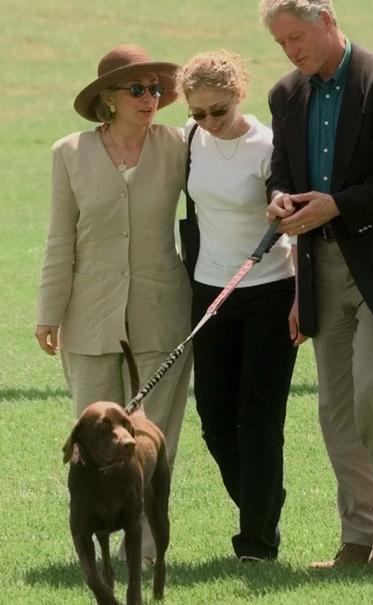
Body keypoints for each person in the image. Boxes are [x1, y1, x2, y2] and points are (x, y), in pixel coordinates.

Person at [259, 0, 373, 567]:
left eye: (296, 37)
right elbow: (281, 167)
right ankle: (358, 539)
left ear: (327, 20)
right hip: (319, 269)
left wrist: (337, 206)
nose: (290, 50)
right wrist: (280, 197)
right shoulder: (285, 94)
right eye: (281, 42)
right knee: (336, 408)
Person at [35, 44, 193, 564]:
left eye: (156, 89)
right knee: (93, 445)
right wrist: (49, 311)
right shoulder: (69, 153)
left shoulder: (181, 145)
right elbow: (61, 239)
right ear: (109, 98)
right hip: (89, 316)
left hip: (162, 310)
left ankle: (144, 550)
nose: (152, 98)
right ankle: (94, 544)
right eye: (138, 89)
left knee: (152, 438)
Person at [175, 50, 297, 561]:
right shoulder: (187, 139)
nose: (208, 122)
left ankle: (256, 543)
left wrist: (281, 202)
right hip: (209, 294)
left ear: (238, 94)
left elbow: (284, 191)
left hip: (269, 290)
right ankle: (262, 503)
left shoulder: (267, 143)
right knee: (215, 420)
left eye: (217, 111)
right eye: (198, 113)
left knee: (259, 422)